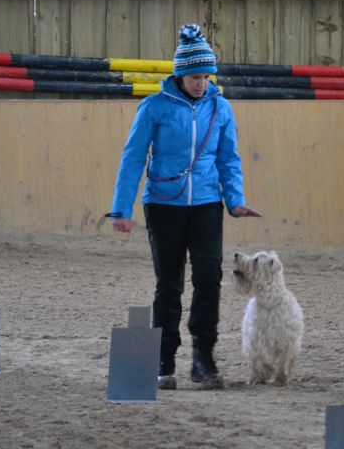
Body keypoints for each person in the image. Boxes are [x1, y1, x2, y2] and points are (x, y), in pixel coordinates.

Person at [109, 24, 260, 391]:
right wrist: (121, 209)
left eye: (206, 77)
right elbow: (132, 158)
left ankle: (204, 360)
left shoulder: (220, 108)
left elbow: (229, 158)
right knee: (169, 285)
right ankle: (164, 360)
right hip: (163, 205)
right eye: (195, 77)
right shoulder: (154, 107)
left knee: (209, 279)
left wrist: (235, 200)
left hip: (208, 203)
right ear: (180, 74)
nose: (201, 84)